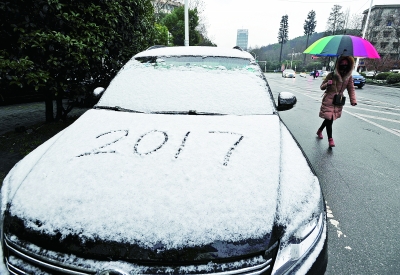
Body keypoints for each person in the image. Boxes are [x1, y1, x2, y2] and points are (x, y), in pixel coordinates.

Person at [316, 56, 357, 148]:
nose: (344, 66)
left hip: (338, 101)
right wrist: (328, 83)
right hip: (328, 99)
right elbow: (322, 87)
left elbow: (351, 89)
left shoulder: (348, 77)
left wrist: (353, 100)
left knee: (328, 118)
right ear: (339, 64)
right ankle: (330, 139)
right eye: (342, 64)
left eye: (346, 64)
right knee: (329, 119)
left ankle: (319, 130)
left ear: (349, 65)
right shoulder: (331, 75)